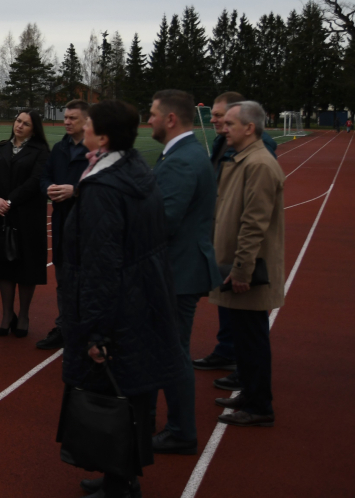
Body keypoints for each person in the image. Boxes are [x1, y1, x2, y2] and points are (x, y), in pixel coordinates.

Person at [58, 100, 183, 498]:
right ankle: (118, 477)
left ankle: (121, 486)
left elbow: (100, 263)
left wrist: (96, 332)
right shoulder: (134, 170)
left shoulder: (103, 189)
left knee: (113, 396)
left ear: (104, 136)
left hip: (119, 308)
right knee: (129, 392)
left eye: (89, 123)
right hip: (141, 298)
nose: (83, 127)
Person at [147, 90, 221, 455]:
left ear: (171, 119)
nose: (148, 121)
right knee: (171, 350)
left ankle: (181, 430)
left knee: (172, 353)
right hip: (181, 268)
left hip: (177, 271)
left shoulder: (181, 160)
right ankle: (177, 426)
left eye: (152, 114)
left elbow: (164, 220)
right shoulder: (188, 153)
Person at [209, 100, 285, 428]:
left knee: (252, 338)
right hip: (234, 264)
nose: (223, 129)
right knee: (244, 337)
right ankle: (249, 393)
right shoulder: (241, 160)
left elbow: (254, 223)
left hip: (249, 271)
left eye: (229, 124)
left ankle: (259, 404)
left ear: (249, 128)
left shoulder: (259, 165)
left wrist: (242, 269)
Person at [194, 91, 278, 375]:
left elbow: (254, 216)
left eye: (222, 117)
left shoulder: (257, 154)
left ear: (246, 125)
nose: (217, 122)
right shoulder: (224, 143)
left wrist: (244, 267)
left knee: (248, 319)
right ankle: (231, 354)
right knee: (232, 307)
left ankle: (251, 384)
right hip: (222, 232)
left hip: (239, 242)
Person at [0, 111, 50, 338]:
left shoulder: (40, 151)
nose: (20, 125)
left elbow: (36, 181)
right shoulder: (1, 147)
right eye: (18, 121)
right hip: (1, 214)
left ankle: (24, 315)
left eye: (26, 123)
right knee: (5, 265)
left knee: (26, 266)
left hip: (28, 217)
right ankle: (6, 315)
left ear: (34, 128)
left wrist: (11, 200)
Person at [36, 100, 89, 350]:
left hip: (89, 225)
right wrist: (48, 187)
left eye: (73, 118)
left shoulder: (96, 150)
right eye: (66, 117)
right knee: (63, 278)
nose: (67, 122)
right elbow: (45, 175)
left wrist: (76, 191)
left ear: (87, 121)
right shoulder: (59, 148)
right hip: (61, 222)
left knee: (88, 280)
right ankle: (64, 326)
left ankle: (88, 331)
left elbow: (108, 183)